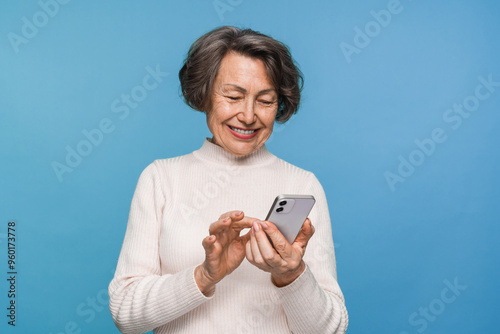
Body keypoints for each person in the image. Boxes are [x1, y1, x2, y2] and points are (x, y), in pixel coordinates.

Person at [108, 26, 348, 334]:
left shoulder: (302, 185)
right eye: (233, 96)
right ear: (204, 94)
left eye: (265, 100)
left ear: (279, 105)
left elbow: (331, 330)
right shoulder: (161, 179)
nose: (248, 116)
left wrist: (291, 274)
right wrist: (205, 276)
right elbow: (125, 316)